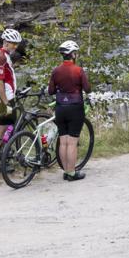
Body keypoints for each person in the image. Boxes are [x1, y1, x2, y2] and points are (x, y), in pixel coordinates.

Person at [48, 39, 90, 181]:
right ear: (72, 55)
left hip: (60, 108)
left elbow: (51, 91)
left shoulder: (55, 71)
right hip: (75, 108)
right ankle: (72, 173)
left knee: (63, 140)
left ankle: (66, 171)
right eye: (75, 53)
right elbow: (87, 89)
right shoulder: (78, 70)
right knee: (72, 142)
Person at [0, 28, 22, 144]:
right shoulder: (2, 57)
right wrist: (6, 101)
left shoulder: (3, 54)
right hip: (3, 98)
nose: (15, 47)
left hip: (4, 96)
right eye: (13, 44)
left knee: (5, 125)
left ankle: (1, 151)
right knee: (10, 124)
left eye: (17, 44)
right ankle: (2, 150)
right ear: (6, 42)